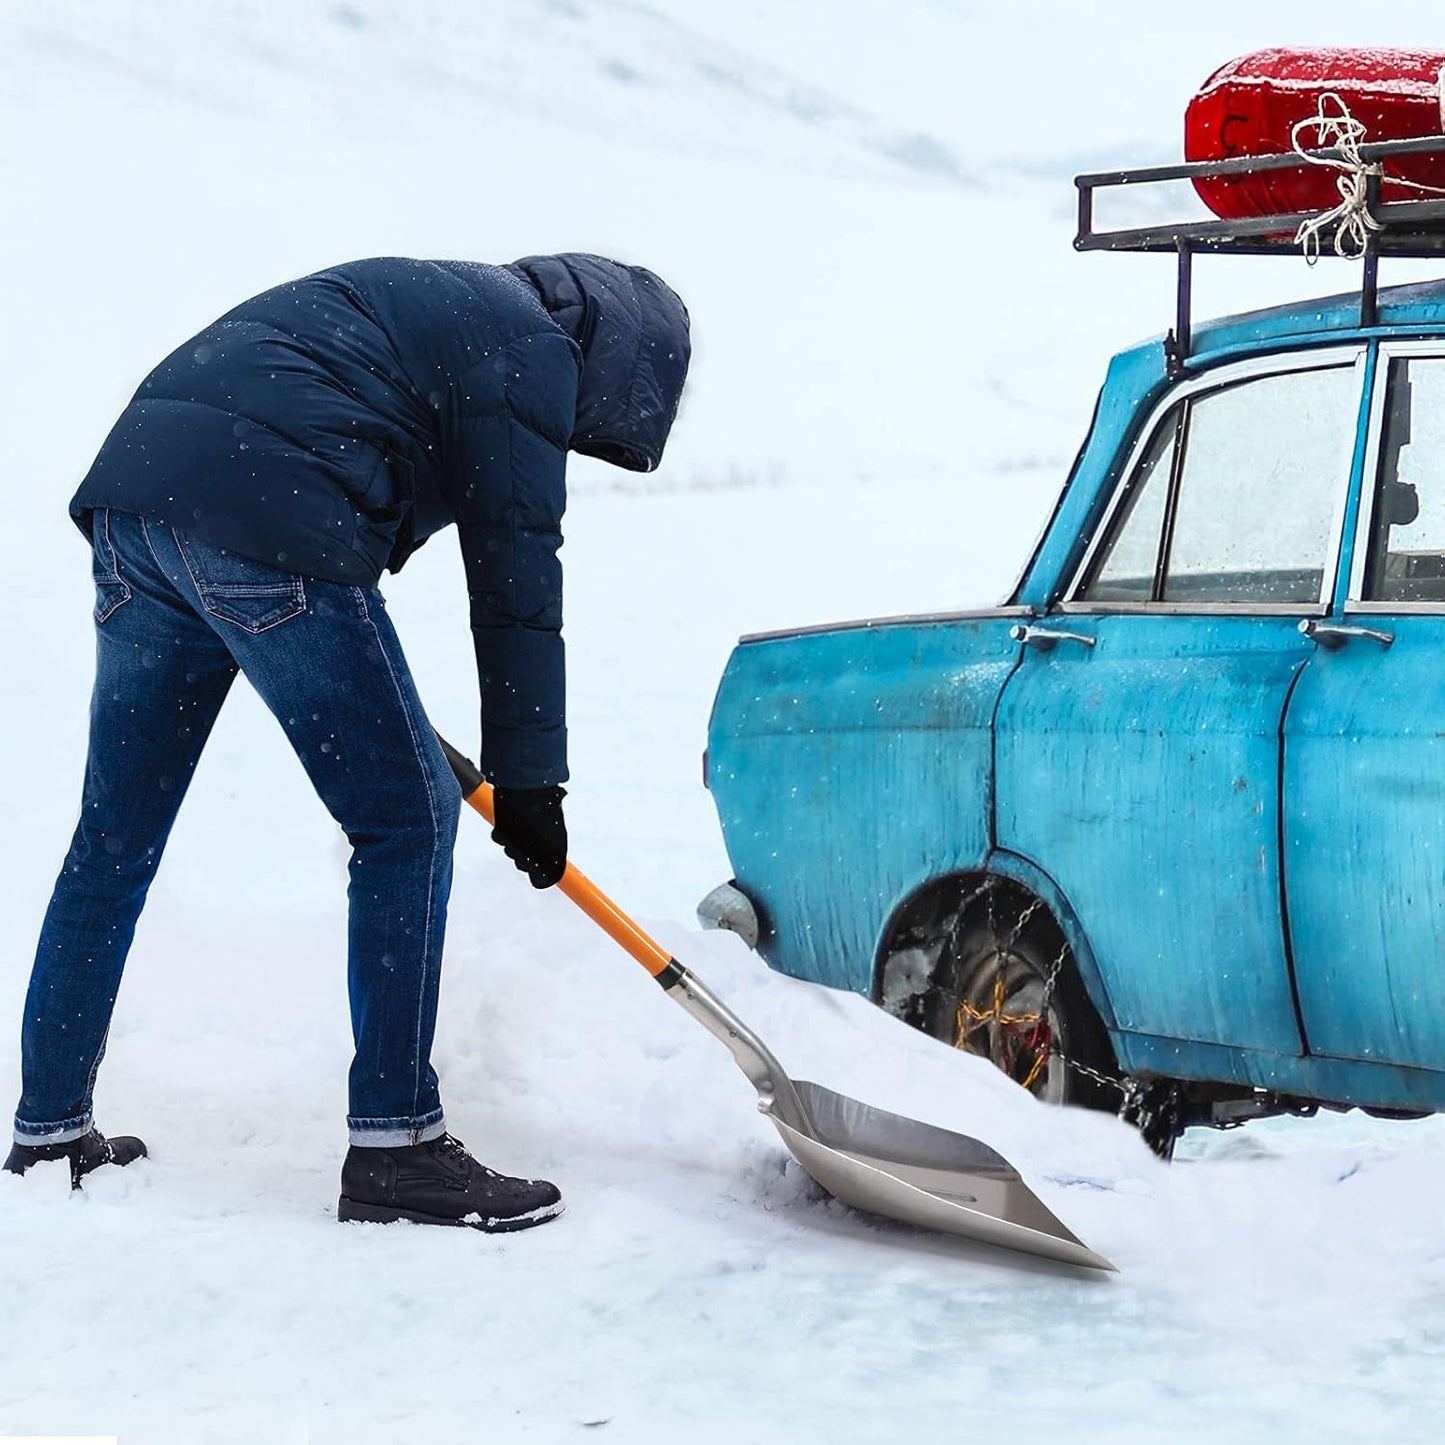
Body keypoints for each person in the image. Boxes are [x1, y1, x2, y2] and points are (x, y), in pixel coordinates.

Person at [3, 254, 691, 1232]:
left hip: (138, 508)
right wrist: (534, 786)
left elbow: (345, 437)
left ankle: (48, 1129)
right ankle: (398, 1148)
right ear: (610, 354)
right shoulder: (531, 348)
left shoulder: (440, 306)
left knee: (113, 837)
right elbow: (515, 579)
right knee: (407, 820)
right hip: (264, 519)